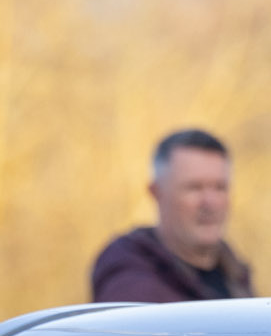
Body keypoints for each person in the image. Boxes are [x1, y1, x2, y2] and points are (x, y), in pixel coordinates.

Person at [90, 129, 255, 304]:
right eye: (194, 188)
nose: (210, 202)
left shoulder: (234, 274)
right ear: (156, 193)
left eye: (220, 187)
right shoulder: (130, 283)